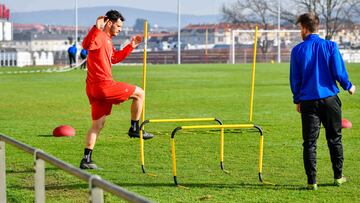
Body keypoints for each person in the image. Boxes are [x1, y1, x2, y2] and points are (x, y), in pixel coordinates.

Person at [79, 10, 154, 170]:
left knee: (97, 125)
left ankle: (86, 159)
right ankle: (134, 128)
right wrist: (96, 27)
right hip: (103, 86)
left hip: (93, 89)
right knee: (140, 93)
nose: (120, 29)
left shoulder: (106, 39)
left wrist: (131, 46)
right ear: (110, 23)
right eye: (118, 26)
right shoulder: (99, 35)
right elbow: (86, 46)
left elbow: (114, 58)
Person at [290, 13, 356, 190]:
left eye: (299, 28)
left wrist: (298, 100)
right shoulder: (330, 46)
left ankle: (312, 181)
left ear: (304, 28)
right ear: (316, 27)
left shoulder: (297, 50)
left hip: (308, 102)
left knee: (309, 143)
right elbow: (338, 71)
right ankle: (338, 176)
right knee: (334, 139)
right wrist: (348, 86)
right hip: (329, 100)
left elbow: (295, 79)